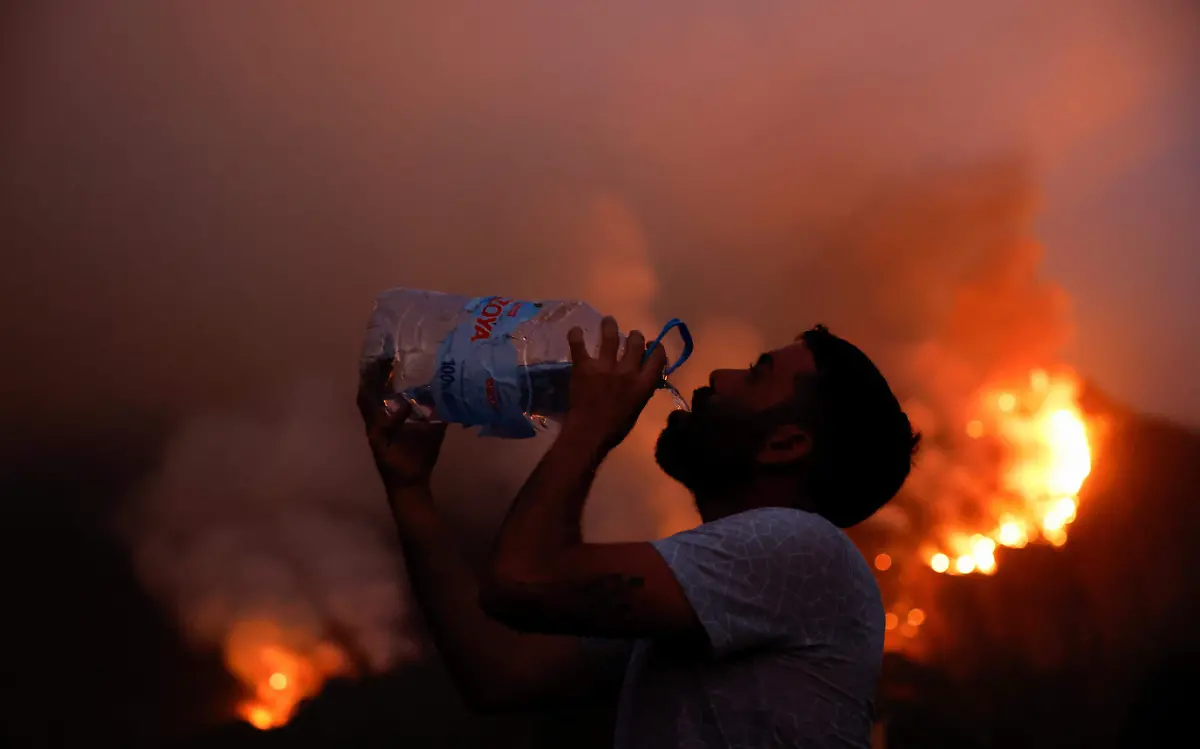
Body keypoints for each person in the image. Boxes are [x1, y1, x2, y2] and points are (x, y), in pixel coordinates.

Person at [357, 317, 919, 749]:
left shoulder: (802, 546)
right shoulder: (712, 593)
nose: (718, 378)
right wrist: (410, 491)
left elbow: (521, 578)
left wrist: (591, 423)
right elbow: (500, 674)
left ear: (786, 445)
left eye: (755, 374)